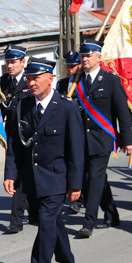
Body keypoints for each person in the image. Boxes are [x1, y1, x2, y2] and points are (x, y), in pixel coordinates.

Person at [3, 57, 84, 263]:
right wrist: (11, 174)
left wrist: (76, 184)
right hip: (32, 179)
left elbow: (76, 150)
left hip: (57, 178)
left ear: (50, 78)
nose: (31, 82)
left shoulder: (67, 107)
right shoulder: (23, 105)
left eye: (36, 77)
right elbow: (15, 145)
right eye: (28, 78)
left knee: (47, 224)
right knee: (54, 222)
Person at [72, 38, 132, 238]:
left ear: (99, 57)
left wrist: (127, 140)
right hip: (81, 140)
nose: (84, 59)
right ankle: (112, 214)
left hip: (102, 139)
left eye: (88, 55)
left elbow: (122, 112)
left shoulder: (110, 80)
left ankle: (89, 221)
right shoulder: (75, 82)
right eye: (82, 56)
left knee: (94, 179)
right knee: (93, 179)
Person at [0, 44, 34, 233]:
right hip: (12, 135)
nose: (9, 65)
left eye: (13, 62)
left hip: (31, 136)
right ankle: (16, 221)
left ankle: (34, 213)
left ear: (22, 62)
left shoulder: (30, 80)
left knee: (32, 175)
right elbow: (0, 109)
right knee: (16, 175)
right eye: (7, 62)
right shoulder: (4, 82)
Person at [56, 49, 84, 214]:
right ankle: (76, 199)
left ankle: (81, 195)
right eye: (68, 66)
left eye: (74, 66)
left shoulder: (82, 83)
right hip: (67, 128)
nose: (71, 69)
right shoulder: (62, 84)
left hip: (83, 127)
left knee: (81, 165)